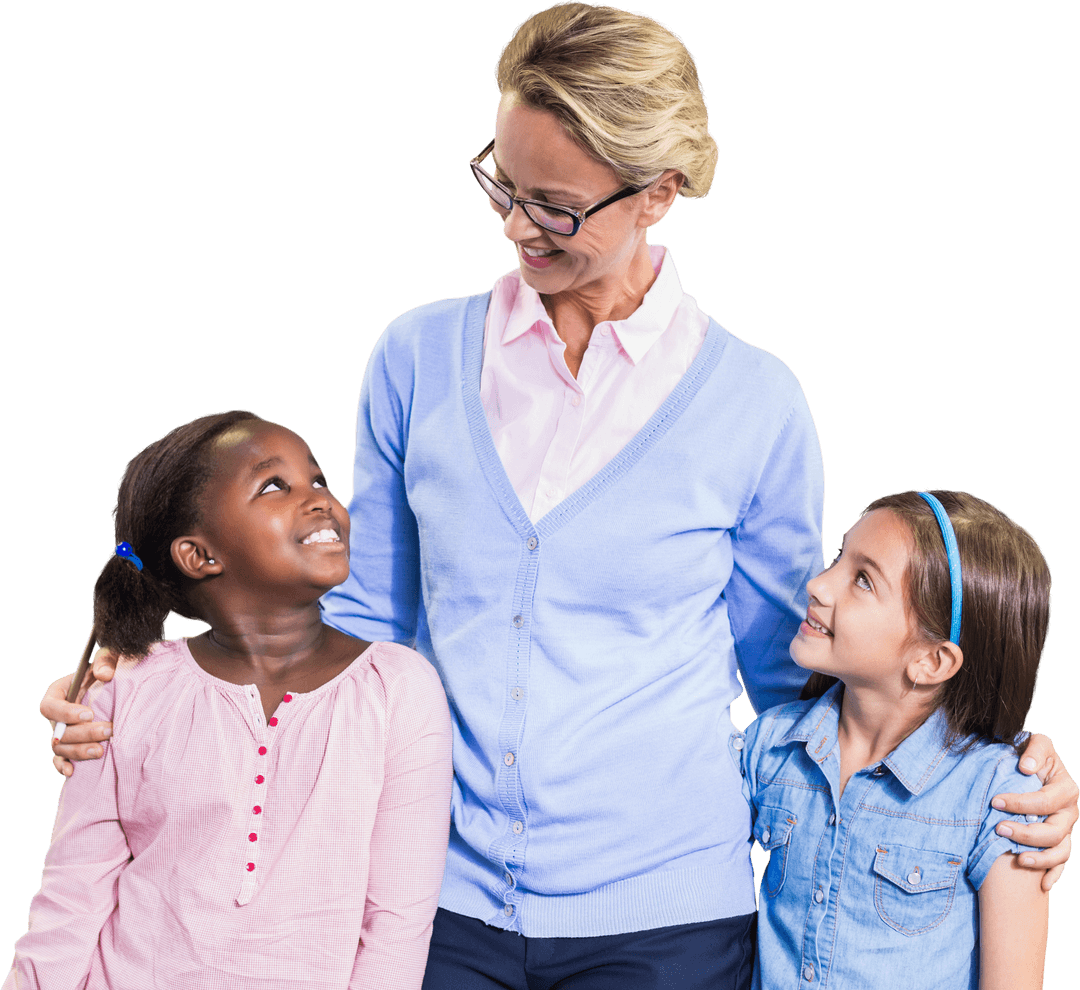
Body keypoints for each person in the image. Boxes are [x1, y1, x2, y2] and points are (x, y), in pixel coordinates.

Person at [40, 5, 1077, 988]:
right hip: (436, 898)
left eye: (557, 205)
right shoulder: (415, 357)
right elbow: (354, 625)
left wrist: (985, 770)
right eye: (502, 184)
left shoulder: (755, 403)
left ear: (660, 191)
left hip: (670, 919)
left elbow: (796, 681)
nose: (517, 229)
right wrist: (141, 702)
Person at [11, 411, 452, 990]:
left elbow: (397, 921)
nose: (321, 500)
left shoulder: (399, 688)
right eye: (275, 486)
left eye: (319, 480)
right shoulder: (127, 688)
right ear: (200, 555)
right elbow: (73, 893)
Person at [736, 490, 1051, 989]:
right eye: (839, 558)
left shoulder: (999, 793)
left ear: (931, 661)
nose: (818, 585)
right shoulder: (769, 747)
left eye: (862, 579)